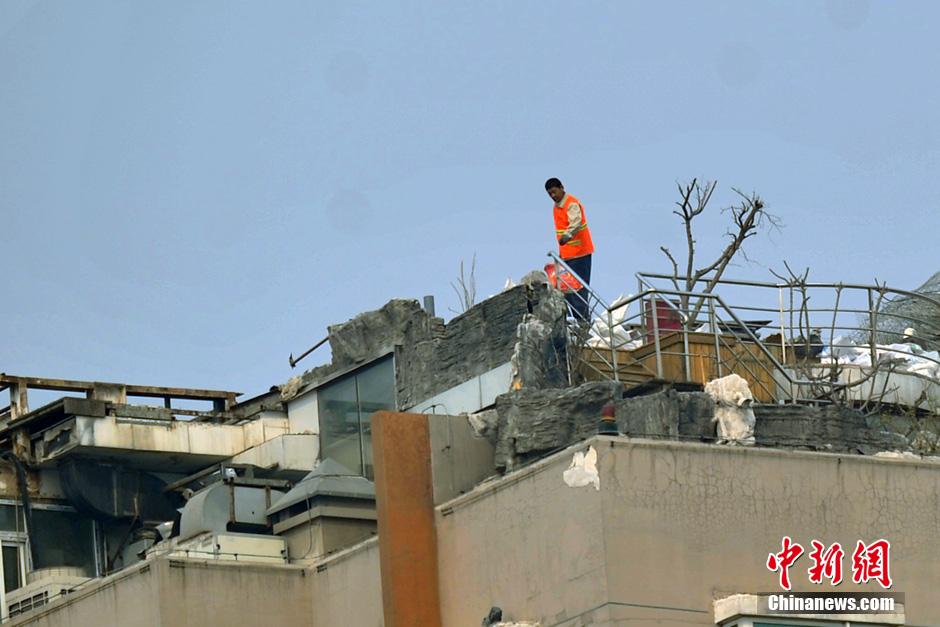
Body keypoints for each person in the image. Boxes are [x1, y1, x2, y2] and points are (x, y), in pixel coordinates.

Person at [545, 177, 594, 321]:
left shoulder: (571, 203)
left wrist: (567, 236)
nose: (553, 196)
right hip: (567, 256)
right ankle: (576, 321)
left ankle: (583, 322)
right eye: (550, 194)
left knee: (579, 289)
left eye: (554, 192)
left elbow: (576, 222)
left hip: (580, 254)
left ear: (561, 187)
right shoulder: (556, 207)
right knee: (567, 290)